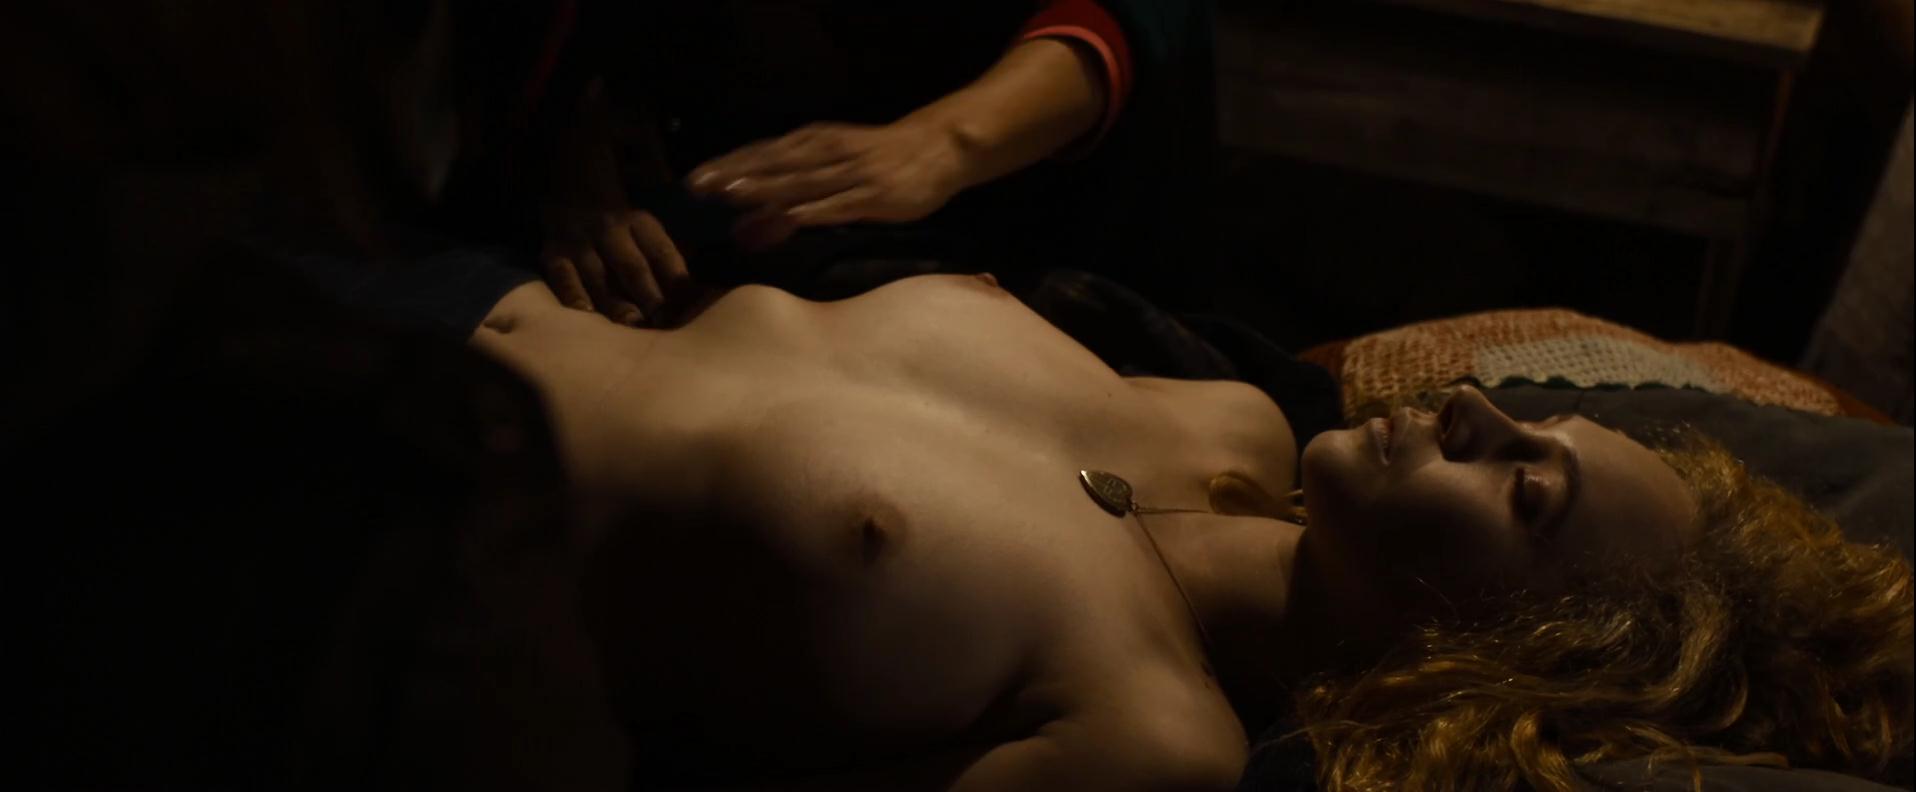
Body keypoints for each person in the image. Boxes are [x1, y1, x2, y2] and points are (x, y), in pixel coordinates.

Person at [389, 262, 1909, 789]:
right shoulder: (1226, 421)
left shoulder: (1145, 734)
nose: (1475, 408)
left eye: (1525, 487)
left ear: (1498, 648)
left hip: (371, 523)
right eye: (1532, 422)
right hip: (439, 280)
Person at [476, 0, 1216, 327]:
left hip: (1025, 209)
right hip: (721, 216)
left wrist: (945, 141)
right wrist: (572, 147)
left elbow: (1139, 15)